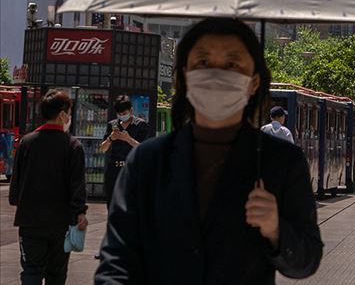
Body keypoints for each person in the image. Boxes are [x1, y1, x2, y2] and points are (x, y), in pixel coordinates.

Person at [95, 18, 323, 283]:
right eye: (202, 62)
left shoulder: (283, 161)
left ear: (254, 81)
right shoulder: (148, 161)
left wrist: (275, 229)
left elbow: (306, 261)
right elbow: (115, 261)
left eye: (232, 64)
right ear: (183, 78)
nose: (216, 74)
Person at [9, 89, 88, 285]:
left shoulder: (27, 142)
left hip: (30, 221)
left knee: (31, 271)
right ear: (62, 114)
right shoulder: (72, 146)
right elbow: (77, 183)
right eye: (68, 112)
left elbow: (16, 183)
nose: (69, 117)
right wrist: (79, 212)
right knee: (57, 273)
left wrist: (17, 200)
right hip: (60, 222)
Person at [98, 96, 150, 210]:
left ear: (131, 111)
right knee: (112, 204)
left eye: (124, 113)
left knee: (131, 205)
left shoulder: (141, 125)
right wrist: (111, 138)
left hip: (132, 169)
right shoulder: (112, 125)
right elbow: (102, 148)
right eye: (119, 113)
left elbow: (144, 149)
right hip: (114, 169)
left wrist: (129, 139)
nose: (122, 115)